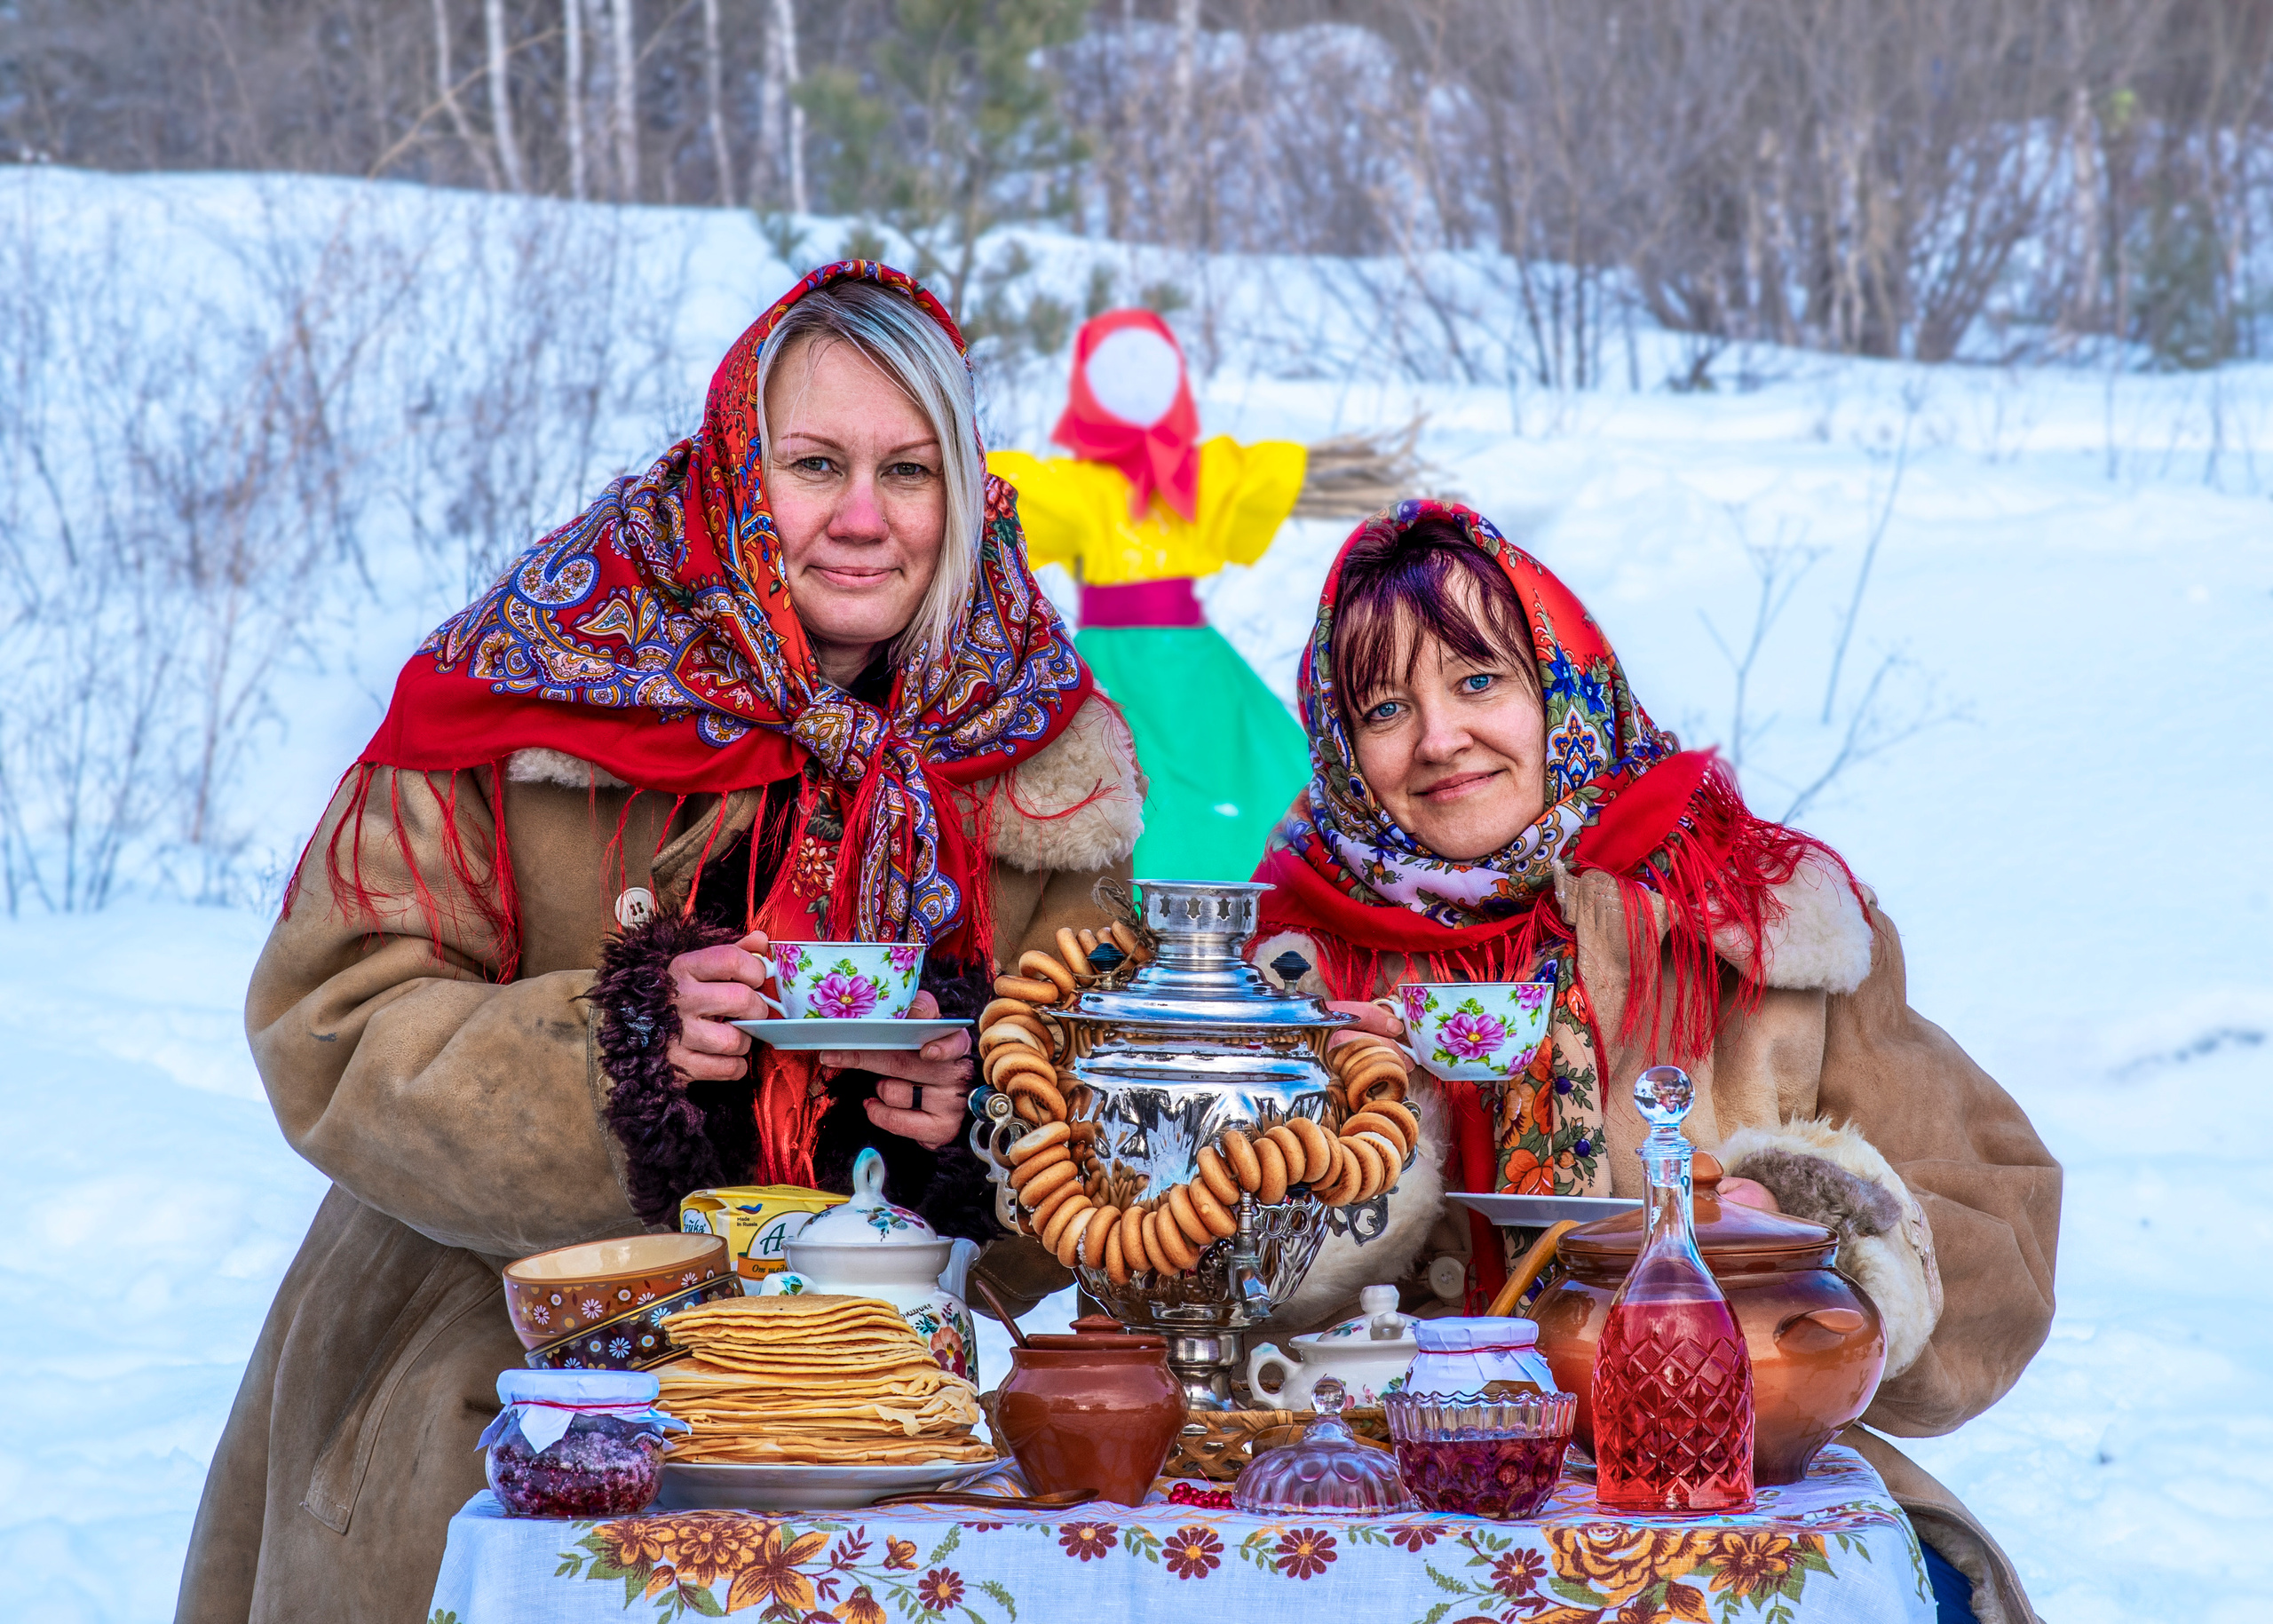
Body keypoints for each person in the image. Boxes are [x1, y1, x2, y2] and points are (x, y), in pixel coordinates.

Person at [176, 263, 1144, 1624]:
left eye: (910, 472)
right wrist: (617, 1051)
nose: (865, 519)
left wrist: (982, 1115)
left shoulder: (1040, 755)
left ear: (969, 493)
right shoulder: (538, 672)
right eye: (815, 464)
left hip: (877, 1431)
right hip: (494, 1394)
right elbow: (329, 1027)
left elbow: (1105, 1137)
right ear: (741, 469)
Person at [1247, 500, 2058, 1624]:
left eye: (1479, 680)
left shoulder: (1756, 920)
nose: (1438, 737)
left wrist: (1816, 1240)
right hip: (1385, 1515)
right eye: (1385, 706)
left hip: (1728, 1507)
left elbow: (2000, 1250)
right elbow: (1177, 1299)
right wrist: (1353, 1134)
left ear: (1562, 684)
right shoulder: (1286, 962)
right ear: (1342, 745)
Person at [989, 309, 1311, 880]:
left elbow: (1263, 477)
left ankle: (1239, 886)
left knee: (1227, 767)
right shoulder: (1084, 487)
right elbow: (1020, 494)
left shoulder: (1194, 475)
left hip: (1193, 663)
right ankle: (1118, 898)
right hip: (1117, 659)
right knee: (1125, 769)